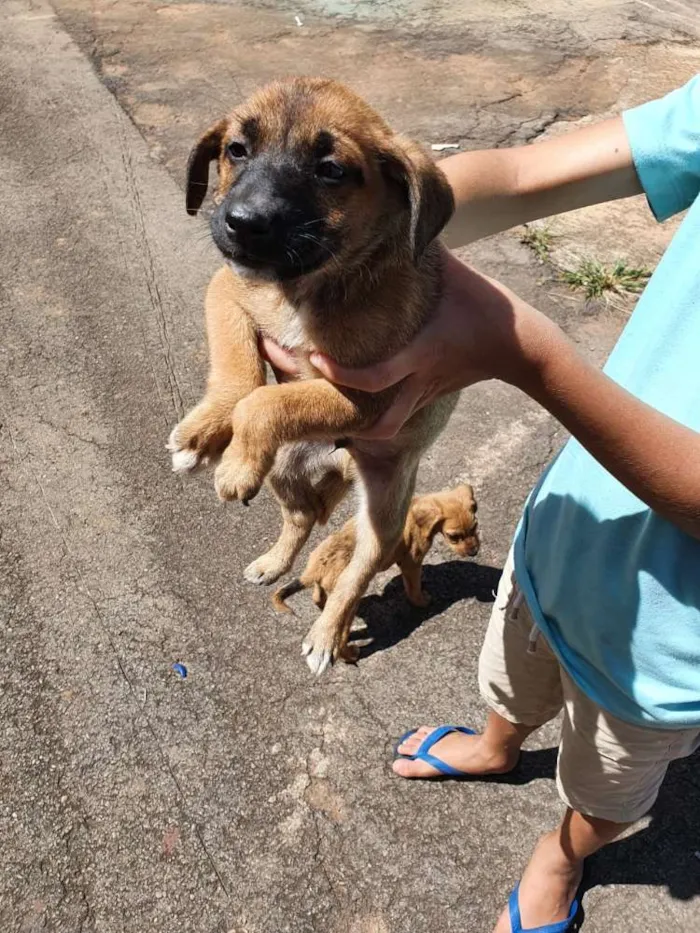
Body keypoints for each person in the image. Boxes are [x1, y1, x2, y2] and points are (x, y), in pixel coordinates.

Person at [264, 76, 700, 933]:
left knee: (607, 789)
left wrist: (519, 350)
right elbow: (532, 172)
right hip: (567, 525)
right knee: (514, 666)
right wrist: (360, 216)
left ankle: (563, 854)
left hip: (667, 647)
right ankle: (499, 744)